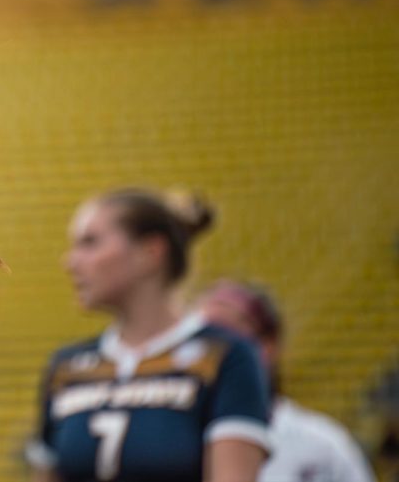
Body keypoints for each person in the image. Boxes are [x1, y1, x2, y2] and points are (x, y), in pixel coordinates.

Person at [27, 188, 272, 482]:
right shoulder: (66, 367)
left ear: (151, 252)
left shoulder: (226, 356)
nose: (71, 262)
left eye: (90, 243)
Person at [200, 279, 376, 482]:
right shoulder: (174, 446)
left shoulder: (321, 446)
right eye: (202, 340)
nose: (212, 353)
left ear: (269, 345)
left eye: (229, 338)